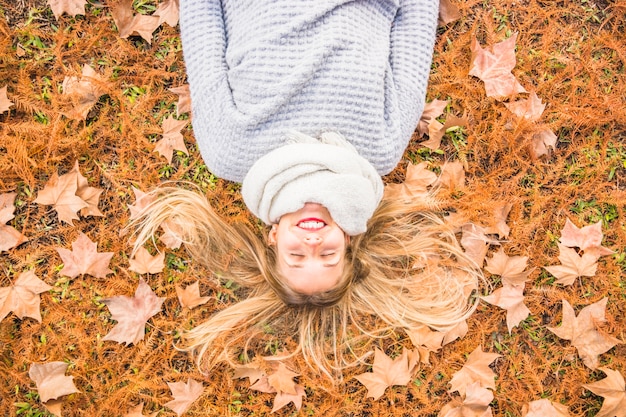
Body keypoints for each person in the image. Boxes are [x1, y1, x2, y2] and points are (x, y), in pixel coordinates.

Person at [131, 0, 482, 377]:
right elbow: (413, 35)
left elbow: (203, 34)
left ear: (273, 238)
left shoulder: (228, 153)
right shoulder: (381, 150)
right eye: (328, 256)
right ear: (348, 239)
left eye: (296, 258)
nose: (312, 247)